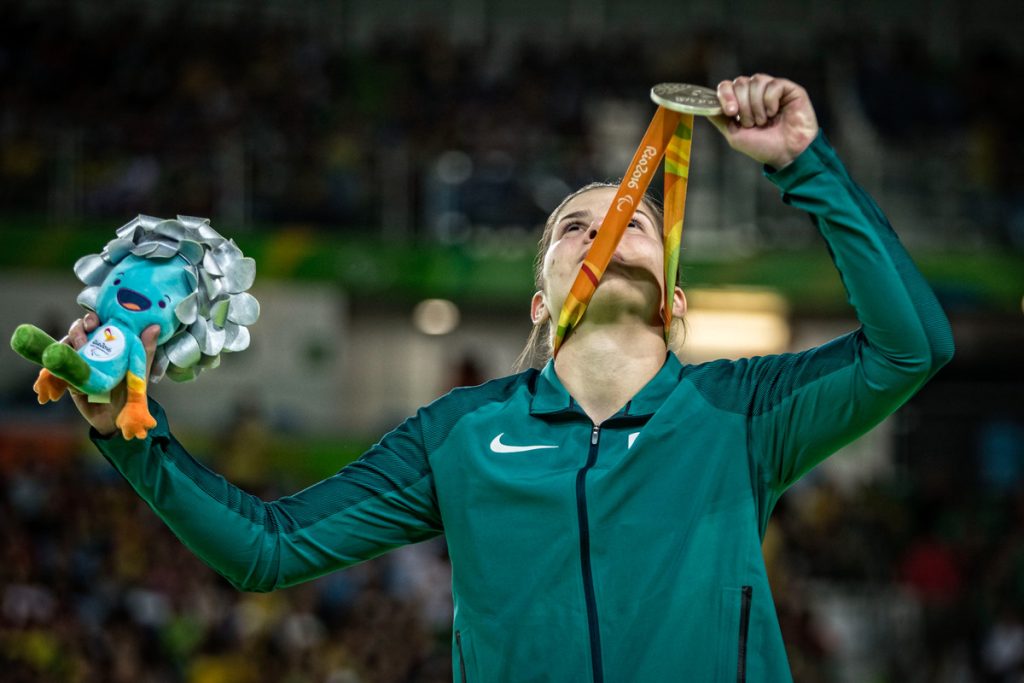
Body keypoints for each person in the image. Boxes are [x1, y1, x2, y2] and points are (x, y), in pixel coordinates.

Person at [63, 75, 953, 682]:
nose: (606, 228)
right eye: (574, 226)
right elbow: (269, 549)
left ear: (674, 300)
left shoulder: (741, 412)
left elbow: (911, 348)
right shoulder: (460, 434)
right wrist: (126, 433)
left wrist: (805, 163)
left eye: (635, 221)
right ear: (539, 303)